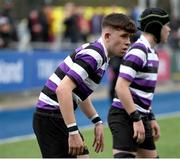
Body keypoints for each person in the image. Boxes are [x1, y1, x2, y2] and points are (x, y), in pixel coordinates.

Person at [33, 13, 136, 158]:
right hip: (51, 116)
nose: (128, 42)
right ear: (107, 36)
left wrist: (97, 121)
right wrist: (73, 131)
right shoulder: (95, 55)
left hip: (54, 116)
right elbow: (63, 90)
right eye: (124, 36)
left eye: (129, 37)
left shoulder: (101, 55)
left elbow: (77, 93)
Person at [108, 8, 171, 158]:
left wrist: (151, 117)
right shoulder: (139, 51)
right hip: (125, 116)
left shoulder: (153, 53)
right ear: (156, 27)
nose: (169, 29)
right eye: (166, 25)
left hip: (141, 117)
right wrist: (136, 119)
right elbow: (121, 87)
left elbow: (142, 93)